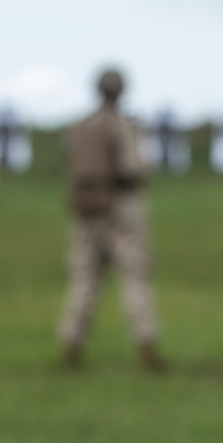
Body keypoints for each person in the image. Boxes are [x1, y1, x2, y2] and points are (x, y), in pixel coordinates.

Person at [56, 68, 166, 373]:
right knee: (134, 280)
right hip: (121, 210)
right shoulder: (123, 126)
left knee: (83, 282)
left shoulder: (80, 127)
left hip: (85, 210)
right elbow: (134, 168)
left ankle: (71, 347)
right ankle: (147, 347)